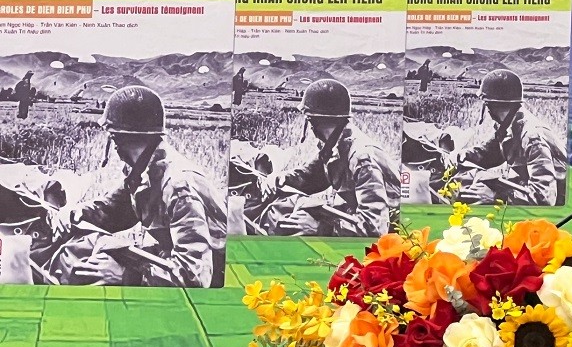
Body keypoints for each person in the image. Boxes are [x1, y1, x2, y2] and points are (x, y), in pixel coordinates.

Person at [51, 85, 226, 288]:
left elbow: (195, 277)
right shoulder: (144, 170)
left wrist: (126, 276)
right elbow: (113, 211)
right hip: (174, 260)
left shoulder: (178, 187)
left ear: (117, 138)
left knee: (101, 272)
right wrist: (72, 215)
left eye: (112, 136)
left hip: (212, 276)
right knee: (87, 254)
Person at [259, 78, 403, 237]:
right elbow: (311, 177)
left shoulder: (362, 158)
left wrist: (321, 228)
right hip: (361, 216)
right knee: (290, 212)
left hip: (394, 228)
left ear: (313, 121)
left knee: (301, 225)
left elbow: (375, 227)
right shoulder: (335, 144)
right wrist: (280, 179)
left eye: (309, 119)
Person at [456, 69, 566, 205]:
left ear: (490, 106)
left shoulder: (532, 138)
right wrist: (462, 156)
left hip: (561, 200)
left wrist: (497, 197)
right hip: (534, 190)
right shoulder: (508, 125)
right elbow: (489, 153)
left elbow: (544, 198)